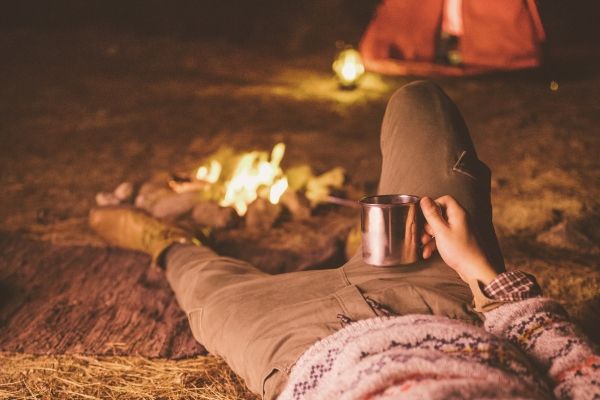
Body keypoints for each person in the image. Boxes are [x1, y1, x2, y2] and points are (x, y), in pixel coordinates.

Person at [89, 81, 599, 399]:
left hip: (295, 345)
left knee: (199, 278)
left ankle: (166, 236)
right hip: (445, 295)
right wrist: (480, 271)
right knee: (420, 103)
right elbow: (574, 368)